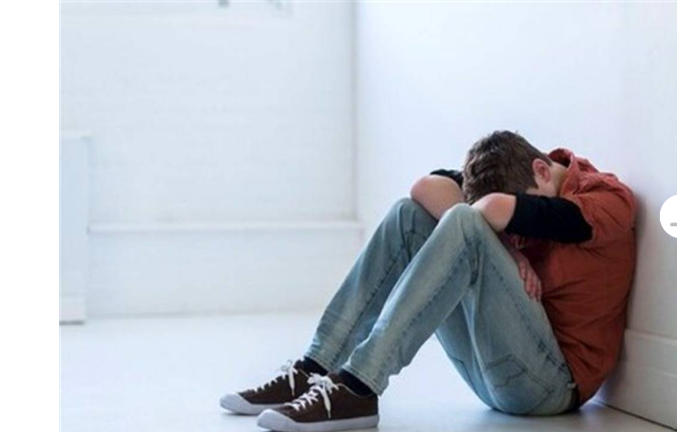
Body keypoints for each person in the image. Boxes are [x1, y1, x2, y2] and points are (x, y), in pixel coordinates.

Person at [220, 130, 637, 432]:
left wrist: (489, 228)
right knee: (410, 215)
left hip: (549, 386)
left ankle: (360, 384)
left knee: (464, 221)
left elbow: (497, 210)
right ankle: (313, 368)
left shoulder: (608, 200)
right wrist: (509, 252)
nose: (517, 239)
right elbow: (426, 187)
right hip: (492, 368)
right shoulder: (522, 177)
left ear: (543, 171)